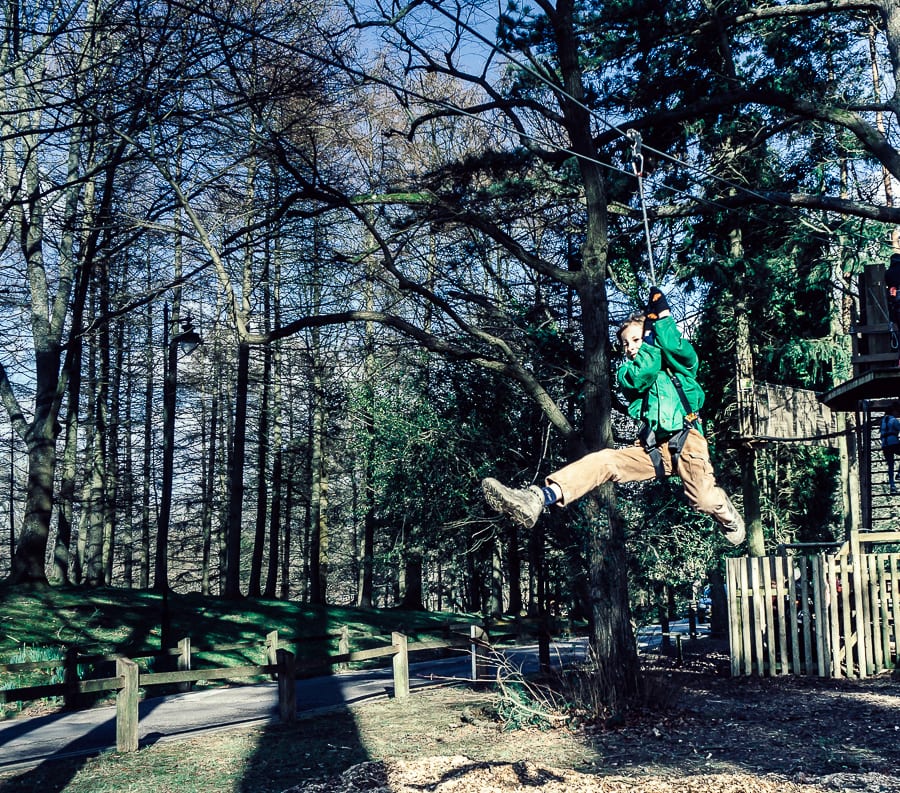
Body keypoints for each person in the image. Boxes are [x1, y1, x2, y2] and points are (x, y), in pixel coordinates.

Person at [482, 286, 745, 546]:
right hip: (653, 450)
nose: (630, 348)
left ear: (651, 336)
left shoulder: (680, 367)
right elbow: (643, 374)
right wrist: (650, 342)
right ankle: (538, 497)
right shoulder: (627, 375)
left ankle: (728, 515)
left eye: (636, 340)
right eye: (625, 344)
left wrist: (663, 317)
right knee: (605, 460)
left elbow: (677, 347)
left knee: (703, 500)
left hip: (688, 440)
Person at [880, 404, 900, 495]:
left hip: (885, 445)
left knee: (890, 465)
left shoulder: (883, 421)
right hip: (893, 443)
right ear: (893, 411)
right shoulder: (894, 420)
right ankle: (899, 473)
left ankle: (892, 485)